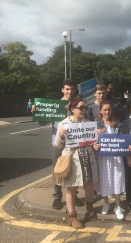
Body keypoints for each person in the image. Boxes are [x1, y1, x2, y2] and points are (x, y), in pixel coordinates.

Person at [32, 79, 83, 210]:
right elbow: (42, 123)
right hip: (58, 144)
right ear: (62, 90)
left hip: (74, 143)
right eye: (67, 89)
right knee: (57, 171)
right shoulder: (54, 105)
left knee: (74, 170)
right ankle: (57, 197)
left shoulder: (78, 105)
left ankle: (73, 195)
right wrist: (37, 112)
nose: (69, 91)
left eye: (72, 89)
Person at [54, 98, 99, 229]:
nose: (84, 110)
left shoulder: (88, 123)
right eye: (81, 108)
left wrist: (96, 144)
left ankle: (89, 205)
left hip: (87, 158)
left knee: (90, 185)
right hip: (73, 159)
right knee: (71, 188)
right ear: (72, 109)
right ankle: (72, 216)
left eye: (85, 108)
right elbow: (57, 145)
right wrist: (61, 136)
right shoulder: (64, 124)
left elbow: (93, 141)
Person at [94, 101, 130, 220]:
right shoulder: (96, 125)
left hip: (116, 156)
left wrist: (128, 153)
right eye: (104, 110)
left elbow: (123, 140)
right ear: (100, 111)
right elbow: (92, 141)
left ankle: (118, 206)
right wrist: (95, 144)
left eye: (109, 110)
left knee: (117, 180)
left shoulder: (117, 124)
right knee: (105, 180)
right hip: (103, 158)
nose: (107, 112)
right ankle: (106, 203)